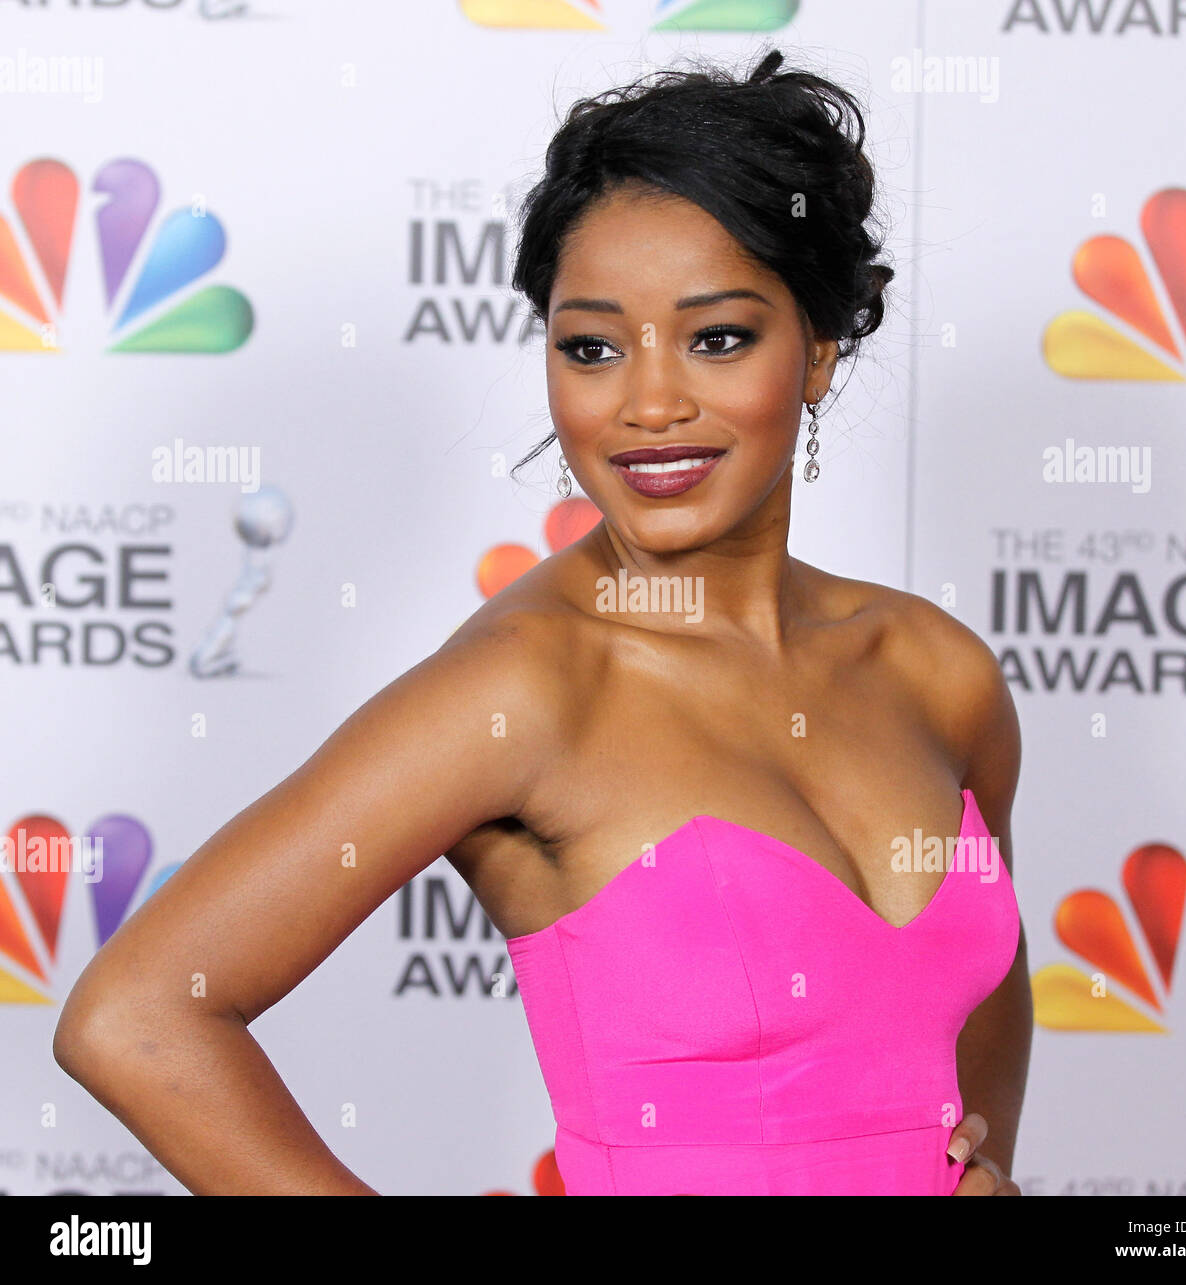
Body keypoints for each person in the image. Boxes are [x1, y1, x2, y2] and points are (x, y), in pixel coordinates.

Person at [53, 47, 1031, 1196]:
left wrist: (983, 1168)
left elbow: (980, 1009)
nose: (649, 403)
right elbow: (138, 1017)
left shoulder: (936, 670)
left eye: (717, 337)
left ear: (815, 351)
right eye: (592, 347)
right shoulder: (524, 686)